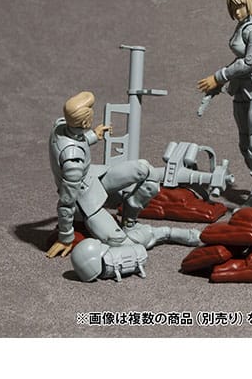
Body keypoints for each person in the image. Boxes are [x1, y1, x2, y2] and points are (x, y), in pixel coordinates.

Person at [47, 91, 200, 259]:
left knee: (144, 169)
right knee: (124, 244)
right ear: (85, 122)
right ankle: (163, 233)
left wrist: (93, 135)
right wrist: (65, 237)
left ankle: (129, 221)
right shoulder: (73, 162)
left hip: (94, 176)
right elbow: (67, 201)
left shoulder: (60, 125)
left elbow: (73, 138)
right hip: (84, 199)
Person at [198, 0, 252, 207]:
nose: (237, 12)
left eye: (241, 6)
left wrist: (219, 77)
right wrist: (220, 83)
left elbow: (251, 61)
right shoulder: (241, 27)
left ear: (248, 5)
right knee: (244, 142)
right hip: (241, 90)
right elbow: (238, 61)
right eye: (233, 7)